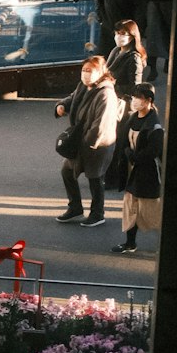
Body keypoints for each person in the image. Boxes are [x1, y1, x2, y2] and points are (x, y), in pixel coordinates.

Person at [54, 54, 119, 226]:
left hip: (97, 145)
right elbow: (72, 97)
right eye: (84, 70)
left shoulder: (105, 94)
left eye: (90, 71)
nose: (85, 74)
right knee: (67, 172)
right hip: (81, 142)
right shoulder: (84, 86)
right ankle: (75, 208)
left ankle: (98, 214)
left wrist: (87, 145)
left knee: (95, 178)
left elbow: (100, 126)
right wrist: (62, 105)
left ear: (101, 72)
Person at [113, 84, 164, 253]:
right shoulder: (132, 118)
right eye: (133, 97)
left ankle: (163, 246)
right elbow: (124, 141)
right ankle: (130, 243)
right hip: (132, 170)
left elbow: (151, 153)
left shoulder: (154, 127)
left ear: (149, 101)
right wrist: (127, 153)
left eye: (138, 98)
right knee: (131, 207)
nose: (134, 101)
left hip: (147, 174)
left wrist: (130, 154)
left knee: (152, 211)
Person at [105, 17, 146, 186]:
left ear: (131, 36)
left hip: (125, 105)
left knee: (118, 142)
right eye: (117, 33)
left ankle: (116, 178)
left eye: (123, 34)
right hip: (112, 101)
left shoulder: (134, 58)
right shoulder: (116, 51)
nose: (119, 37)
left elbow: (135, 87)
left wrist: (115, 87)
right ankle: (111, 176)